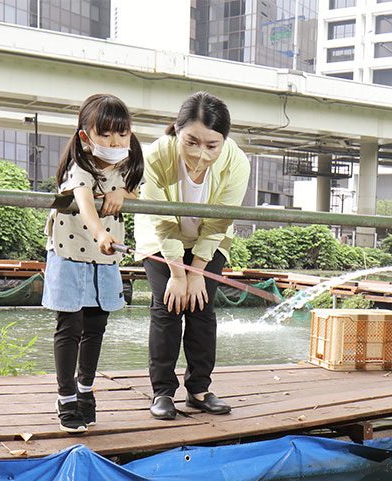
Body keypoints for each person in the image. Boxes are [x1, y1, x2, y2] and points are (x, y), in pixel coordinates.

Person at [134, 92, 250, 420]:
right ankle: (163, 392)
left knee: (201, 306)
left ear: (224, 141)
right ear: (177, 130)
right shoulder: (157, 155)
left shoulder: (237, 162)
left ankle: (199, 389)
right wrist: (177, 272)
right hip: (160, 237)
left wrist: (197, 270)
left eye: (212, 145)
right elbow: (161, 218)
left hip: (208, 238)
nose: (201, 154)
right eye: (192, 142)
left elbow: (219, 220)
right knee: (168, 306)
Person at [43, 94, 143, 433]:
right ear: (86, 137)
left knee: (96, 327)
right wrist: (100, 232)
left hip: (104, 257)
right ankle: (66, 397)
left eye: (122, 133)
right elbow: (84, 203)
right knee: (69, 328)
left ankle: (86, 391)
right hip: (70, 252)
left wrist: (124, 194)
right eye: (105, 134)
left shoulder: (126, 167)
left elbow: (140, 193)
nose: (115, 141)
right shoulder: (79, 167)